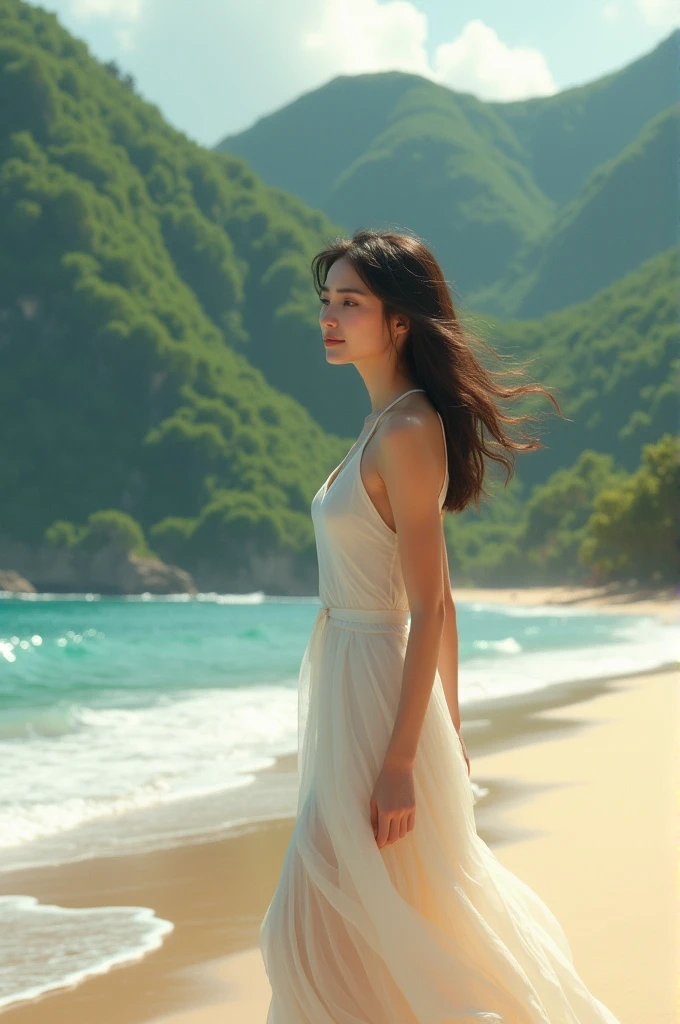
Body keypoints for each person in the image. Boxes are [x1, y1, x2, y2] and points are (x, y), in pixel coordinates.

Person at [259, 228, 621, 1023]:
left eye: (351, 302)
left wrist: (408, 757)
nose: (330, 315)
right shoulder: (382, 424)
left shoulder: (407, 430)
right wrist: (445, 733)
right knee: (364, 924)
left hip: (378, 698)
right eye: (327, 300)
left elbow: (435, 605)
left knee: (319, 920)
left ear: (398, 323)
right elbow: (435, 605)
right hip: (359, 689)